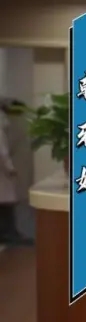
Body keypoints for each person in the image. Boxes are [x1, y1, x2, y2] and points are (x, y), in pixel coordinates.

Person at [0, 100, 22, 244]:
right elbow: (2, 150)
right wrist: (10, 168)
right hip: (2, 172)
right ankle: (9, 234)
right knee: (6, 204)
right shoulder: (1, 120)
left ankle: (8, 233)